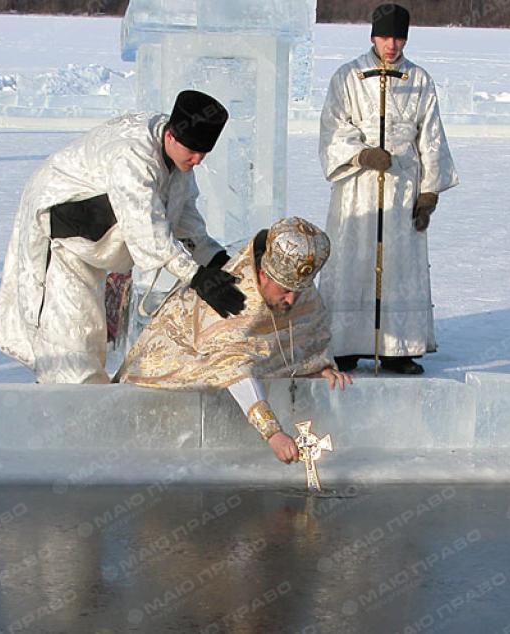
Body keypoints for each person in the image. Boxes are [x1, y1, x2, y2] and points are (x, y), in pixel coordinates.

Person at [0, 90, 245, 384]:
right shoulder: (133, 158)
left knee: (92, 337)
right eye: (193, 151)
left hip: (96, 241)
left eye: (204, 153)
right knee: (72, 347)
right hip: (62, 234)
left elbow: (183, 219)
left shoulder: (179, 158)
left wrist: (216, 260)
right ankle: (66, 406)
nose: (198, 160)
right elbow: (146, 228)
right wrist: (196, 276)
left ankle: (84, 403)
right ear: (171, 136)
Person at [118, 217, 352, 464]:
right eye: (285, 290)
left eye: (298, 290)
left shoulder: (293, 281)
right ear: (263, 275)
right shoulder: (232, 298)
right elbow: (232, 367)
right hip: (171, 391)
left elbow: (310, 329)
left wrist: (316, 366)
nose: (292, 300)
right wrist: (273, 432)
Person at [318, 3, 459, 375]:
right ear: (373, 36)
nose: (391, 45)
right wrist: (362, 154)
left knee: (399, 264)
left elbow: (431, 138)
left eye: (398, 38)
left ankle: (398, 348)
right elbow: (332, 128)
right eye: (385, 37)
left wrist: (429, 192)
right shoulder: (348, 77)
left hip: (402, 185)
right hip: (358, 186)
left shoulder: (419, 80)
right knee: (353, 259)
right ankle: (346, 343)